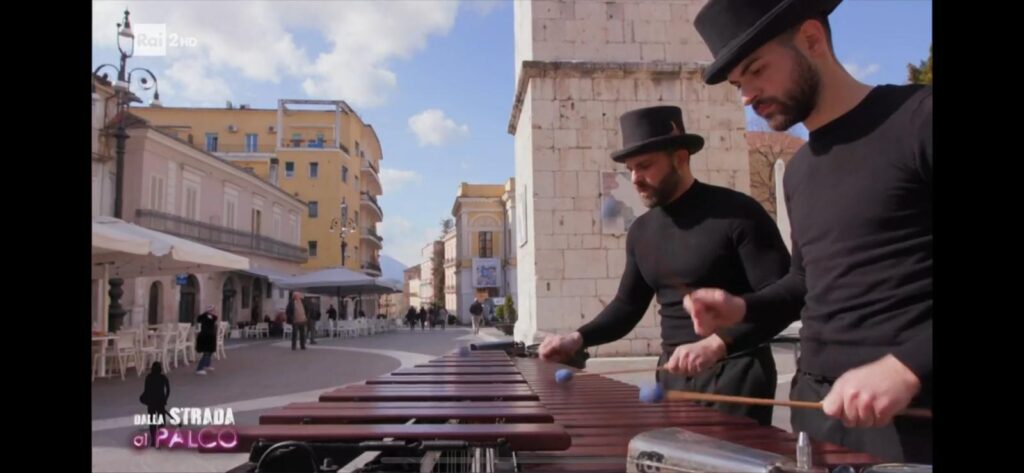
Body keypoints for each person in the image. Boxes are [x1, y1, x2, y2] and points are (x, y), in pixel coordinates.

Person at [681, 0, 932, 462]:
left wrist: (909, 365)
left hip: (913, 423)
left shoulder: (919, 119)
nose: (746, 96)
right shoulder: (798, 173)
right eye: (737, 83)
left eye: (756, 70)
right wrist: (743, 308)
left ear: (812, 39)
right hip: (816, 416)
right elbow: (804, 282)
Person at [538, 105, 792, 426]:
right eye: (630, 168)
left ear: (680, 158)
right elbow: (627, 306)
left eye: (644, 166)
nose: (635, 178)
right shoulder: (641, 231)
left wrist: (717, 343)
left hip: (737, 372)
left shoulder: (739, 214)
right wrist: (577, 338)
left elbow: (782, 299)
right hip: (672, 374)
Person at [139, 361, 170, 447]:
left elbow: (146, 390)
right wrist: (165, 399)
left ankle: (153, 440)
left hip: (151, 402)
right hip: (160, 401)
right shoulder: (163, 377)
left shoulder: (148, 377)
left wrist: (145, 399)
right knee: (161, 421)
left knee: (152, 421)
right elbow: (168, 390)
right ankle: (160, 438)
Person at [194, 305, 219, 375]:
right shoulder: (203, 317)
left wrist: (211, 314)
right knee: (206, 352)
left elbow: (215, 318)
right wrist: (205, 313)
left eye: (213, 310)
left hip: (211, 337)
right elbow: (198, 319)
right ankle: (199, 369)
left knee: (210, 352)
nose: (212, 311)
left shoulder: (213, 317)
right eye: (211, 310)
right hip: (205, 337)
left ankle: (207, 365)